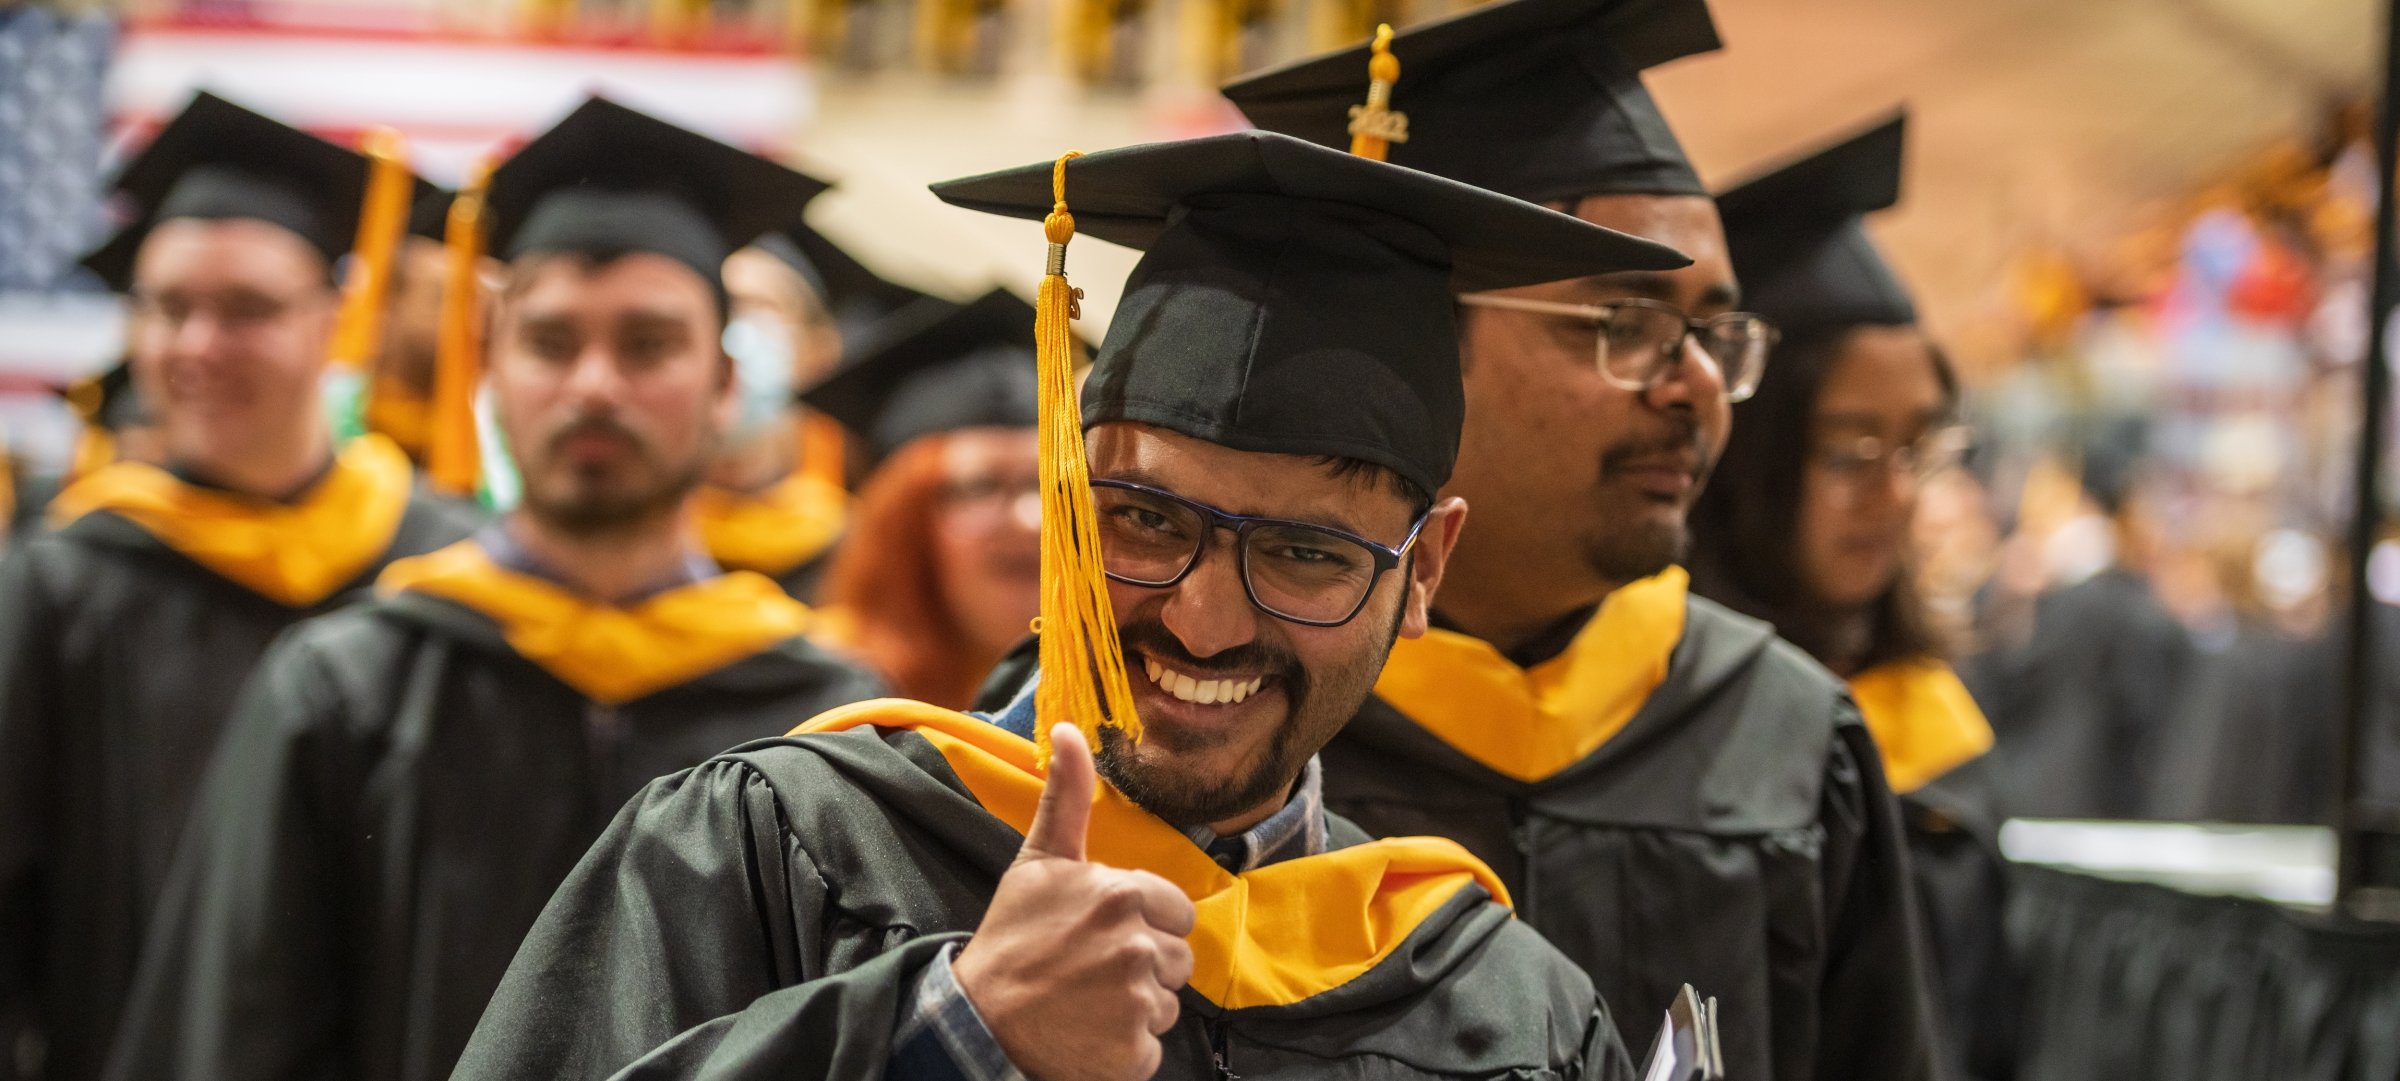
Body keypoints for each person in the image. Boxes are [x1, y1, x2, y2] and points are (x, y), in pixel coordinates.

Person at [449, 129, 1688, 1081]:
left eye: (1307, 553)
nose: (1204, 621)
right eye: (1145, 521)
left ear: (1423, 572)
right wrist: (944, 1037)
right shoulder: (776, 848)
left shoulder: (1506, 1011)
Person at [100, 97, 886, 1081]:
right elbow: (235, 1037)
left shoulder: (823, 723)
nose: (595, 384)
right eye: (552, 342)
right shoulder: (345, 691)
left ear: (725, 384)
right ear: (493, 371)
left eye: (647, 344)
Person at [1224, 4, 1943, 1079]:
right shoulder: (1217, 695)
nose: (1697, 386)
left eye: (1714, 333)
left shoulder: (1793, 743)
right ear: (1420, 346)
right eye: (1627, 325)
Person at [0, 91, 477, 1081]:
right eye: (169, 308)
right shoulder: (66, 586)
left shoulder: (440, 571)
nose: (197, 347)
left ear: (337, 317)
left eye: (248, 309)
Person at [1687, 113, 2016, 1081]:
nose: (1899, 493)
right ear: (1753, 457)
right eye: (1852, 451)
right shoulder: (1678, 716)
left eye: (1919, 445)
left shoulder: (1931, 712)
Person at [807, 288, 1043, 707]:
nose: (1031, 518)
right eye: (981, 486)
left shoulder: (1113, 699)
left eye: (1044, 486)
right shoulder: (817, 697)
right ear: (901, 523)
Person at [690, 203, 855, 601]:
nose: (731, 330)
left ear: (818, 351)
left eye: (755, 307)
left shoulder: (861, 545)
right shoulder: (627, 521)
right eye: (717, 308)